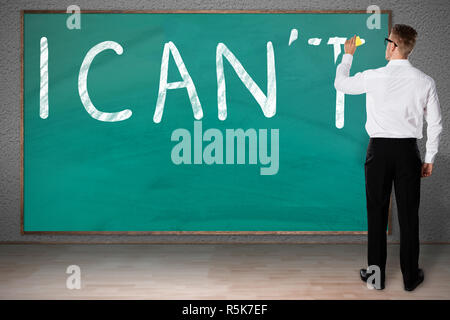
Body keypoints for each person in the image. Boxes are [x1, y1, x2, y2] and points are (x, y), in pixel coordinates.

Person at [334, 24, 443, 291]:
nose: (386, 45)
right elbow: (437, 124)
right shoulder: (425, 81)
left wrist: (348, 55)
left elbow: (341, 84)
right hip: (408, 153)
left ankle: (375, 277)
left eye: (387, 41)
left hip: (379, 152)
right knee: (409, 216)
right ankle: (409, 278)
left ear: (394, 46)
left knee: (376, 213)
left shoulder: (373, 76)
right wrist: (429, 157)